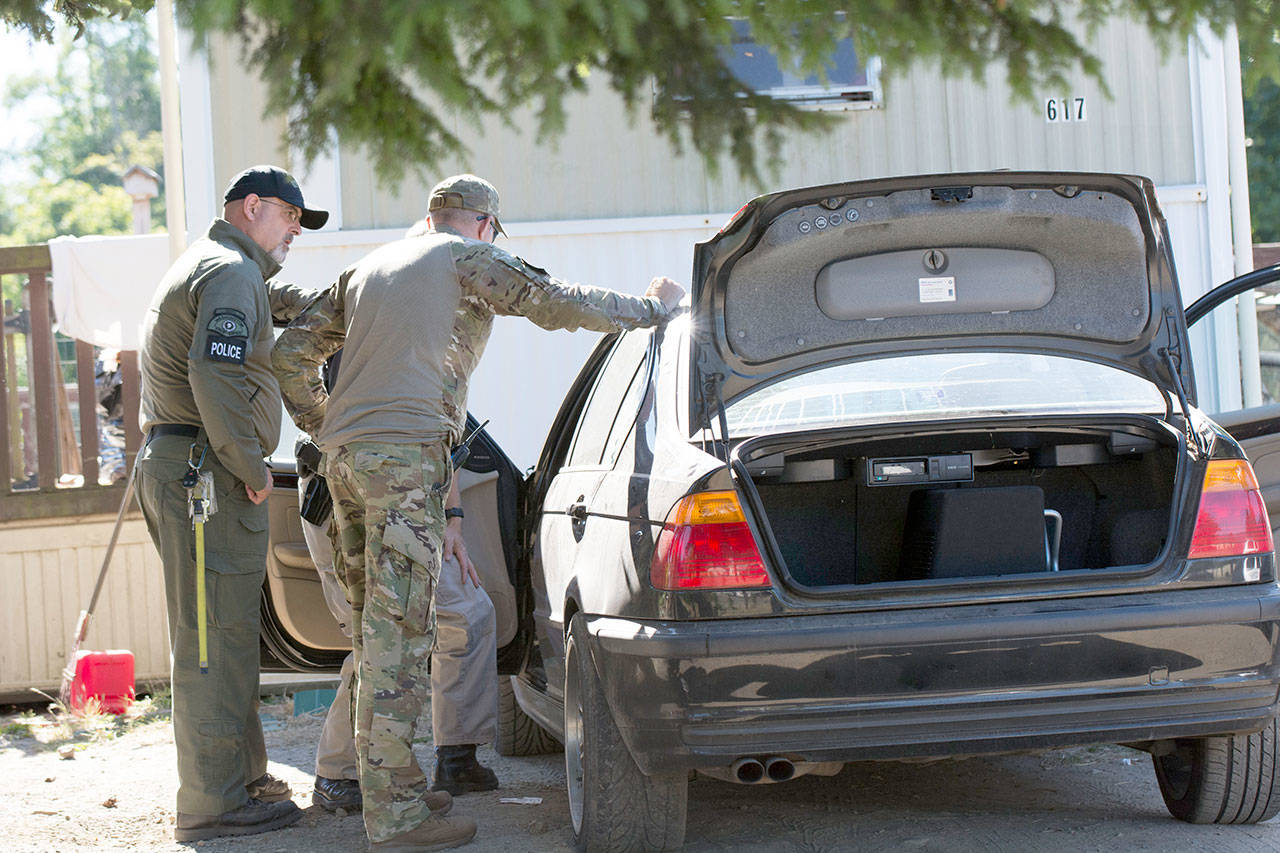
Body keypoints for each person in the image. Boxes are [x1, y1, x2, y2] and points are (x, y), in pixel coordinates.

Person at [271, 173, 684, 851]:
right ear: (485, 225)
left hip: (343, 464)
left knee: (378, 638)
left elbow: (292, 354)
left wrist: (327, 425)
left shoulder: (367, 267)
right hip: (403, 464)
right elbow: (553, 301)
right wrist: (648, 310)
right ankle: (398, 816)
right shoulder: (466, 260)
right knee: (401, 639)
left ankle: (392, 788)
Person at [135, 165, 327, 842]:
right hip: (205, 470)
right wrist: (250, 464)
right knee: (213, 639)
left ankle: (241, 779)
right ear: (252, 207)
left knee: (228, 629)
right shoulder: (230, 273)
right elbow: (212, 372)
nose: (296, 232)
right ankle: (212, 800)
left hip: (191, 463)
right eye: (290, 217)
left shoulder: (220, 265)